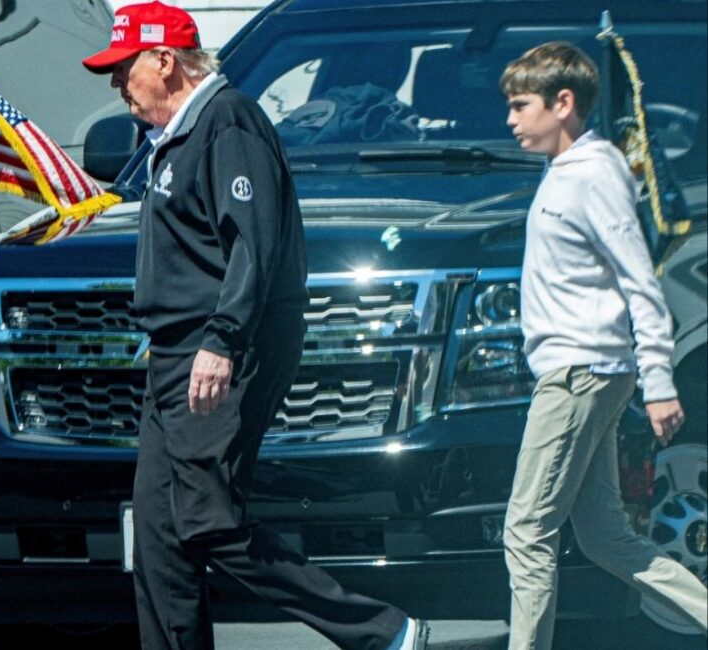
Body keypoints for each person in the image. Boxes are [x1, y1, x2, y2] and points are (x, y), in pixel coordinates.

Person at [81, 3, 427, 649]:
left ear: (164, 61)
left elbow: (255, 246)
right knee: (157, 536)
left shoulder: (226, 122)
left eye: (123, 68)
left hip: (221, 352)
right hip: (173, 355)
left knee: (209, 520)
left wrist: (222, 340)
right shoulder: (170, 139)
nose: (116, 85)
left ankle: (383, 633)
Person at [500, 41, 708, 650]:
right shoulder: (567, 170)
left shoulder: (593, 174)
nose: (510, 121)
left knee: (527, 530)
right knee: (604, 537)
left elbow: (639, 277)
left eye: (520, 106)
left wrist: (661, 382)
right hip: (582, 369)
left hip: (580, 373)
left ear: (563, 103)